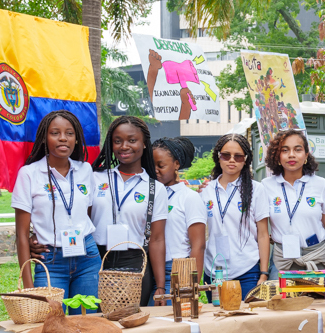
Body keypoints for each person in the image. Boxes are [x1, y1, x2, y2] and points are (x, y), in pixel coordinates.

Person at [11, 110, 99, 301]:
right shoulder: (29, 174)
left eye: (69, 133)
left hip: (88, 257)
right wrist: (29, 289)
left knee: (87, 321)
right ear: (44, 138)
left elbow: (86, 214)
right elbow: (21, 234)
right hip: (50, 260)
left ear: (76, 139)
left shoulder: (85, 169)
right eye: (55, 133)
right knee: (51, 322)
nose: (63, 139)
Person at [90, 116, 167, 306]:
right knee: (95, 321)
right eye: (118, 141)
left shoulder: (155, 188)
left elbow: (157, 239)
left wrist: (161, 286)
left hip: (135, 262)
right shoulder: (95, 178)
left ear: (144, 144)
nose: (124, 146)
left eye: (132, 140)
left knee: (131, 323)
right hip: (95, 260)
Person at [203, 134, 271, 299]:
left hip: (247, 271)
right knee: (217, 320)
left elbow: (263, 234)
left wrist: (263, 273)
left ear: (245, 160)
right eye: (226, 155)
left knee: (247, 320)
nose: (231, 160)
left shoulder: (256, 189)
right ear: (218, 157)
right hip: (214, 271)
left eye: (238, 156)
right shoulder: (206, 191)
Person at [261, 129, 325, 276]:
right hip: (282, 260)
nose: (291, 155)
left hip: (316, 259)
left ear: (306, 155)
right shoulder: (265, 186)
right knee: (279, 299)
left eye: (298, 149)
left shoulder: (321, 184)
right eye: (285, 150)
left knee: (321, 300)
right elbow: (260, 229)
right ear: (277, 156)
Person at [153, 137, 207, 295]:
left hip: (177, 269)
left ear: (176, 164)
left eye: (161, 165)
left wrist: (191, 284)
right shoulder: (150, 193)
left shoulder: (189, 198)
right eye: (152, 164)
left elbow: (198, 245)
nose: (155, 170)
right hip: (150, 269)